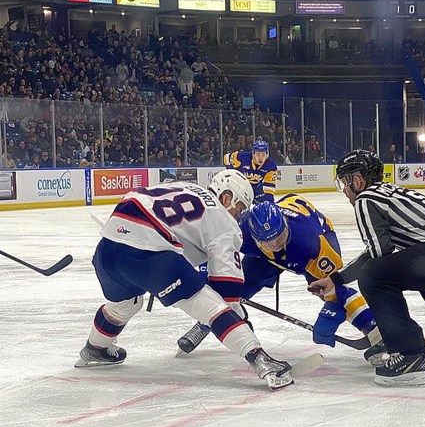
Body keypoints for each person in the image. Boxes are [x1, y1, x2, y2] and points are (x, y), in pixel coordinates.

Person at [77, 169, 295, 390]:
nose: (238, 217)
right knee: (212, 306)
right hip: (148, 253)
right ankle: (262, 361)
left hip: (107, 251)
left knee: (125, 304)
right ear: (226, 198)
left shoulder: (185, 188)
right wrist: (236, 318)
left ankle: (95, 348)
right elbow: (227, 290)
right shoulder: (223, 219)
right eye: (239, 209)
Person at [307, 150, 425, 386]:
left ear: (358, 180)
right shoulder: (387, 192)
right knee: (424, 266)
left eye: (345, 181)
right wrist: (336, 280)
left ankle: (409, 354)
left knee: (373, 275)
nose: (344, 190)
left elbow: (378, 255)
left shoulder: (366, 199)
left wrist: (339, 279)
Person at [176, 195, 384, 362]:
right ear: (255, 237)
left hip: (309, 242)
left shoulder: (311, 244)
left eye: (279, 237)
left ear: (284, 226)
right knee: (233, 290)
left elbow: (335, 284)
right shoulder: (241, 231)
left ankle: (375, 329)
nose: (276, 245)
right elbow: (213, 252)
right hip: (264, 257)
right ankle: (206, 322)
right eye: (269, 242)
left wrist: (332, 310)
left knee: (329, 292)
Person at [222, 139, 279, 205]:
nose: (260, 158)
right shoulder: (242, 157)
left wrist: (269, 205)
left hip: (256, 189)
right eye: (258, 155)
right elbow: (226, 158)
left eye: (263, 155)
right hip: (240, 187)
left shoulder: (271, 166)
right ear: (253, 154)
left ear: (267, 154)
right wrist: (232, 173)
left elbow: (269, 189)